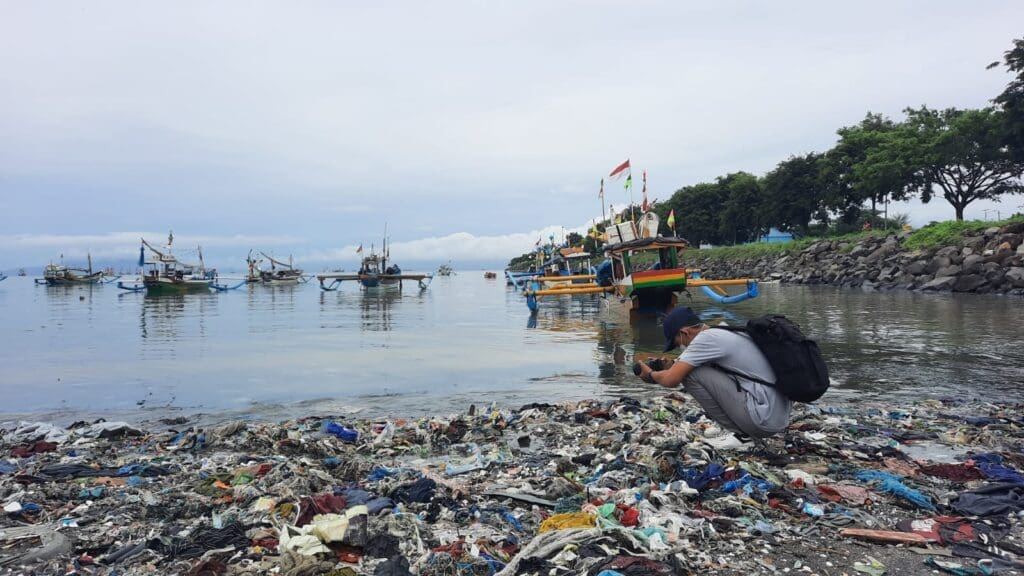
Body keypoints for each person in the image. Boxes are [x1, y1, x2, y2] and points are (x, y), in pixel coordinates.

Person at [635, 306, 792, 441]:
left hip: (762, 419)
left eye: (678, 342)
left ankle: (742, 436)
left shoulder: (705, 339)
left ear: (684, 332)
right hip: (778, 416)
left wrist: (650, 375)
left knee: (690, 374)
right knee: (689, 368)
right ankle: (744, 435)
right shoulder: (724, 331)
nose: (682, 346)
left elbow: (671, 380)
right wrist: (673, 366)